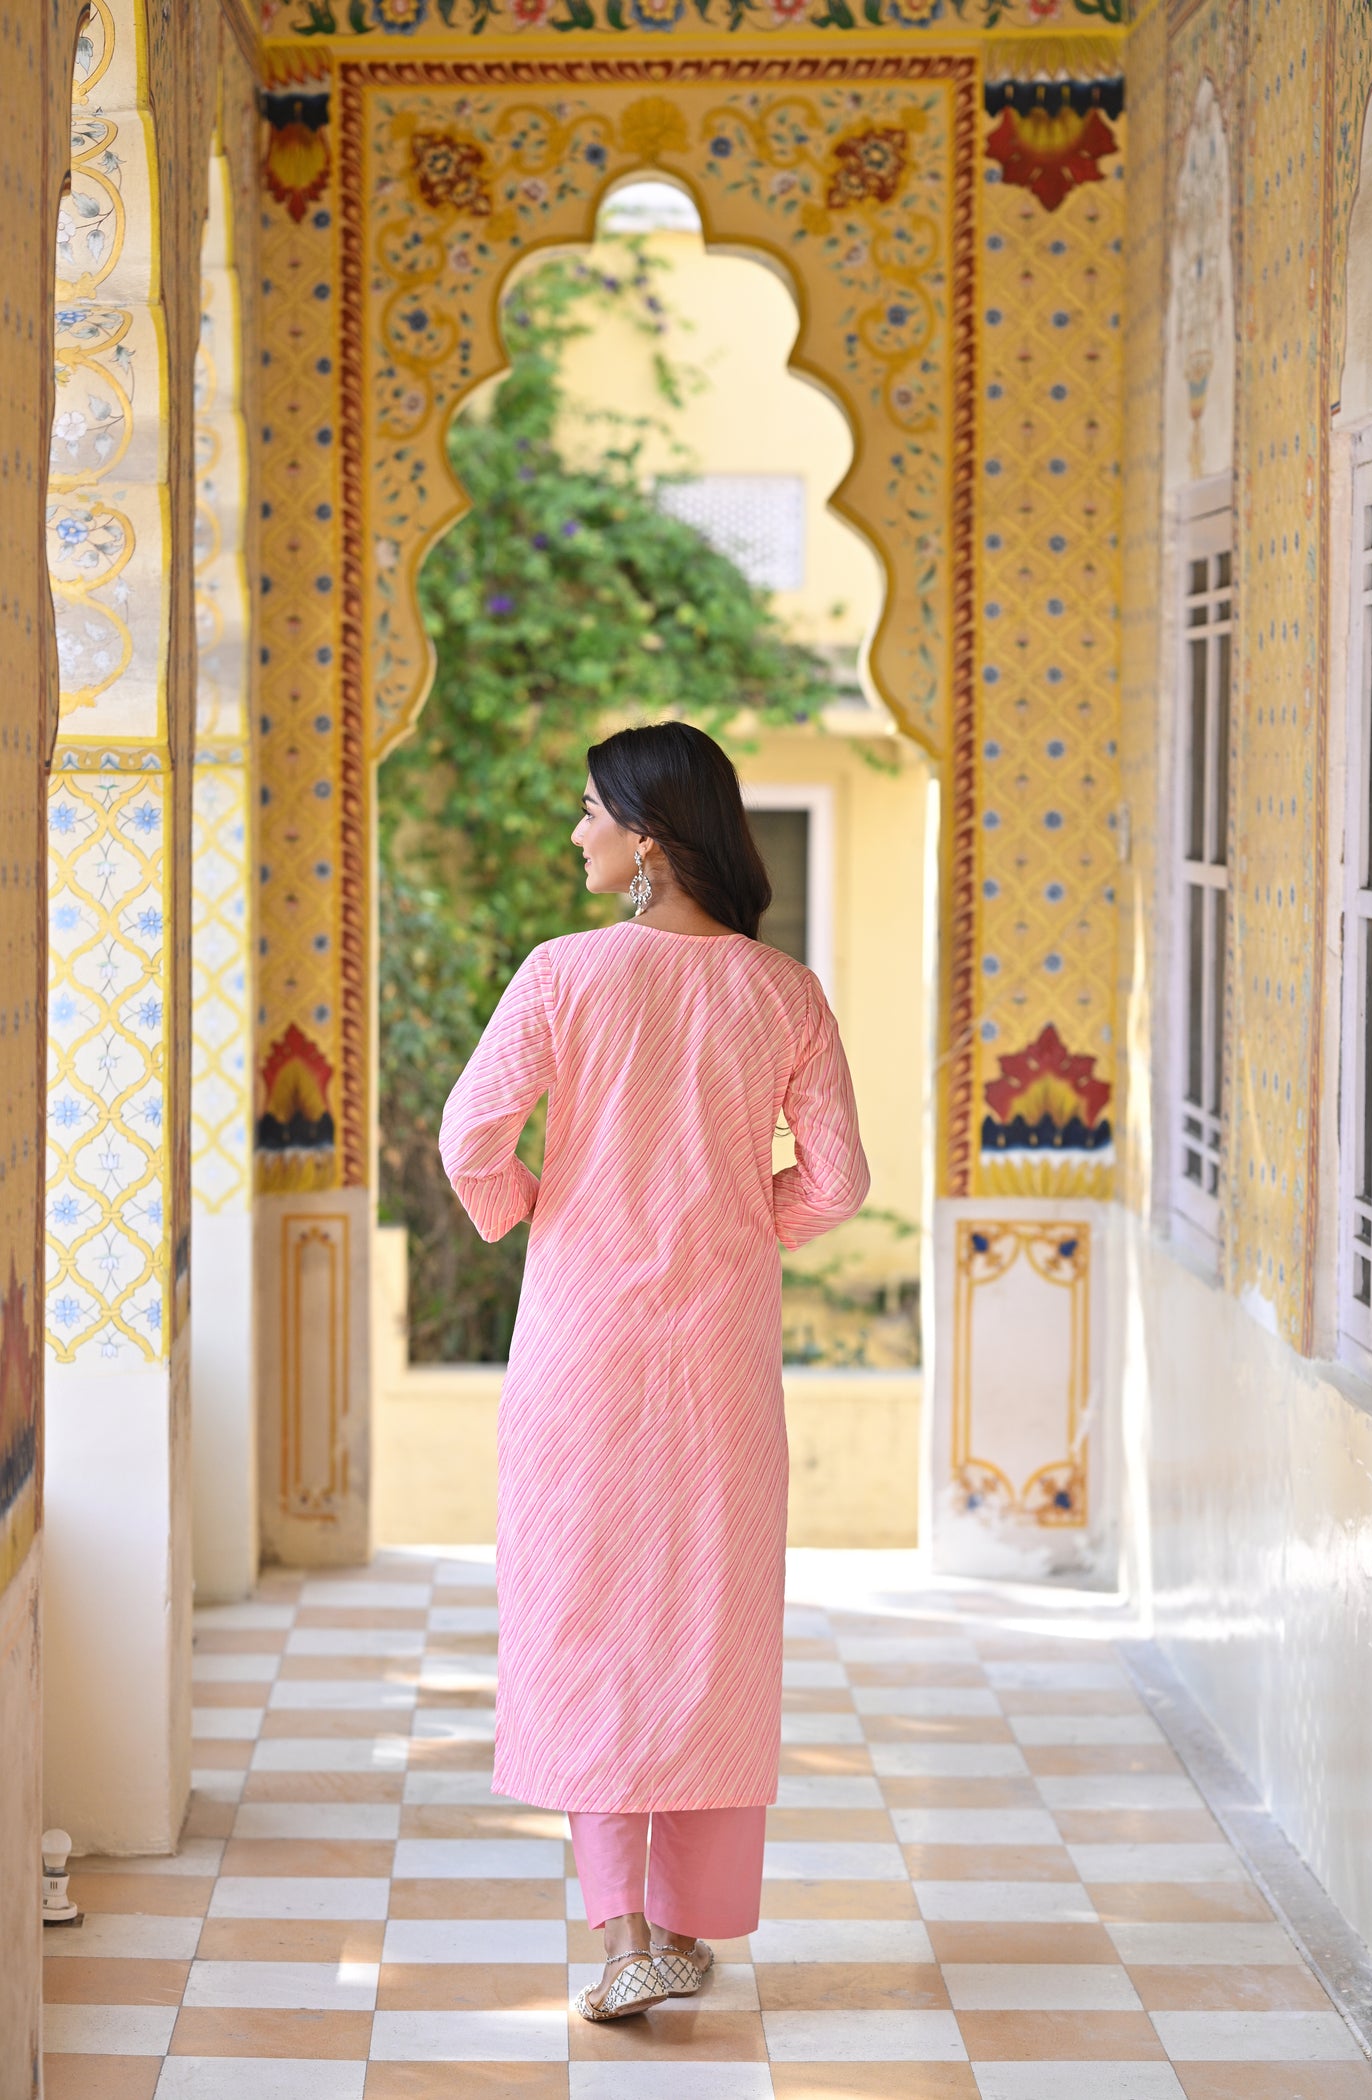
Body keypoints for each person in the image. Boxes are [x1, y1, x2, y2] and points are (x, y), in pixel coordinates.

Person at [438, 720, 870, 2021]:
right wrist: (745, 1226)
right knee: (707, 1628)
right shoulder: (781, 989)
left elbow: (473, 1138)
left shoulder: (565, 976)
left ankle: (626, 1932)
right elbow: (840, 1181)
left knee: (587, 1621)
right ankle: (682, 1932)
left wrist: (536, 1210)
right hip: (718, 1366)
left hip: (580, 1354)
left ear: (648, 835)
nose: (576, 832)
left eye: (588, 811)